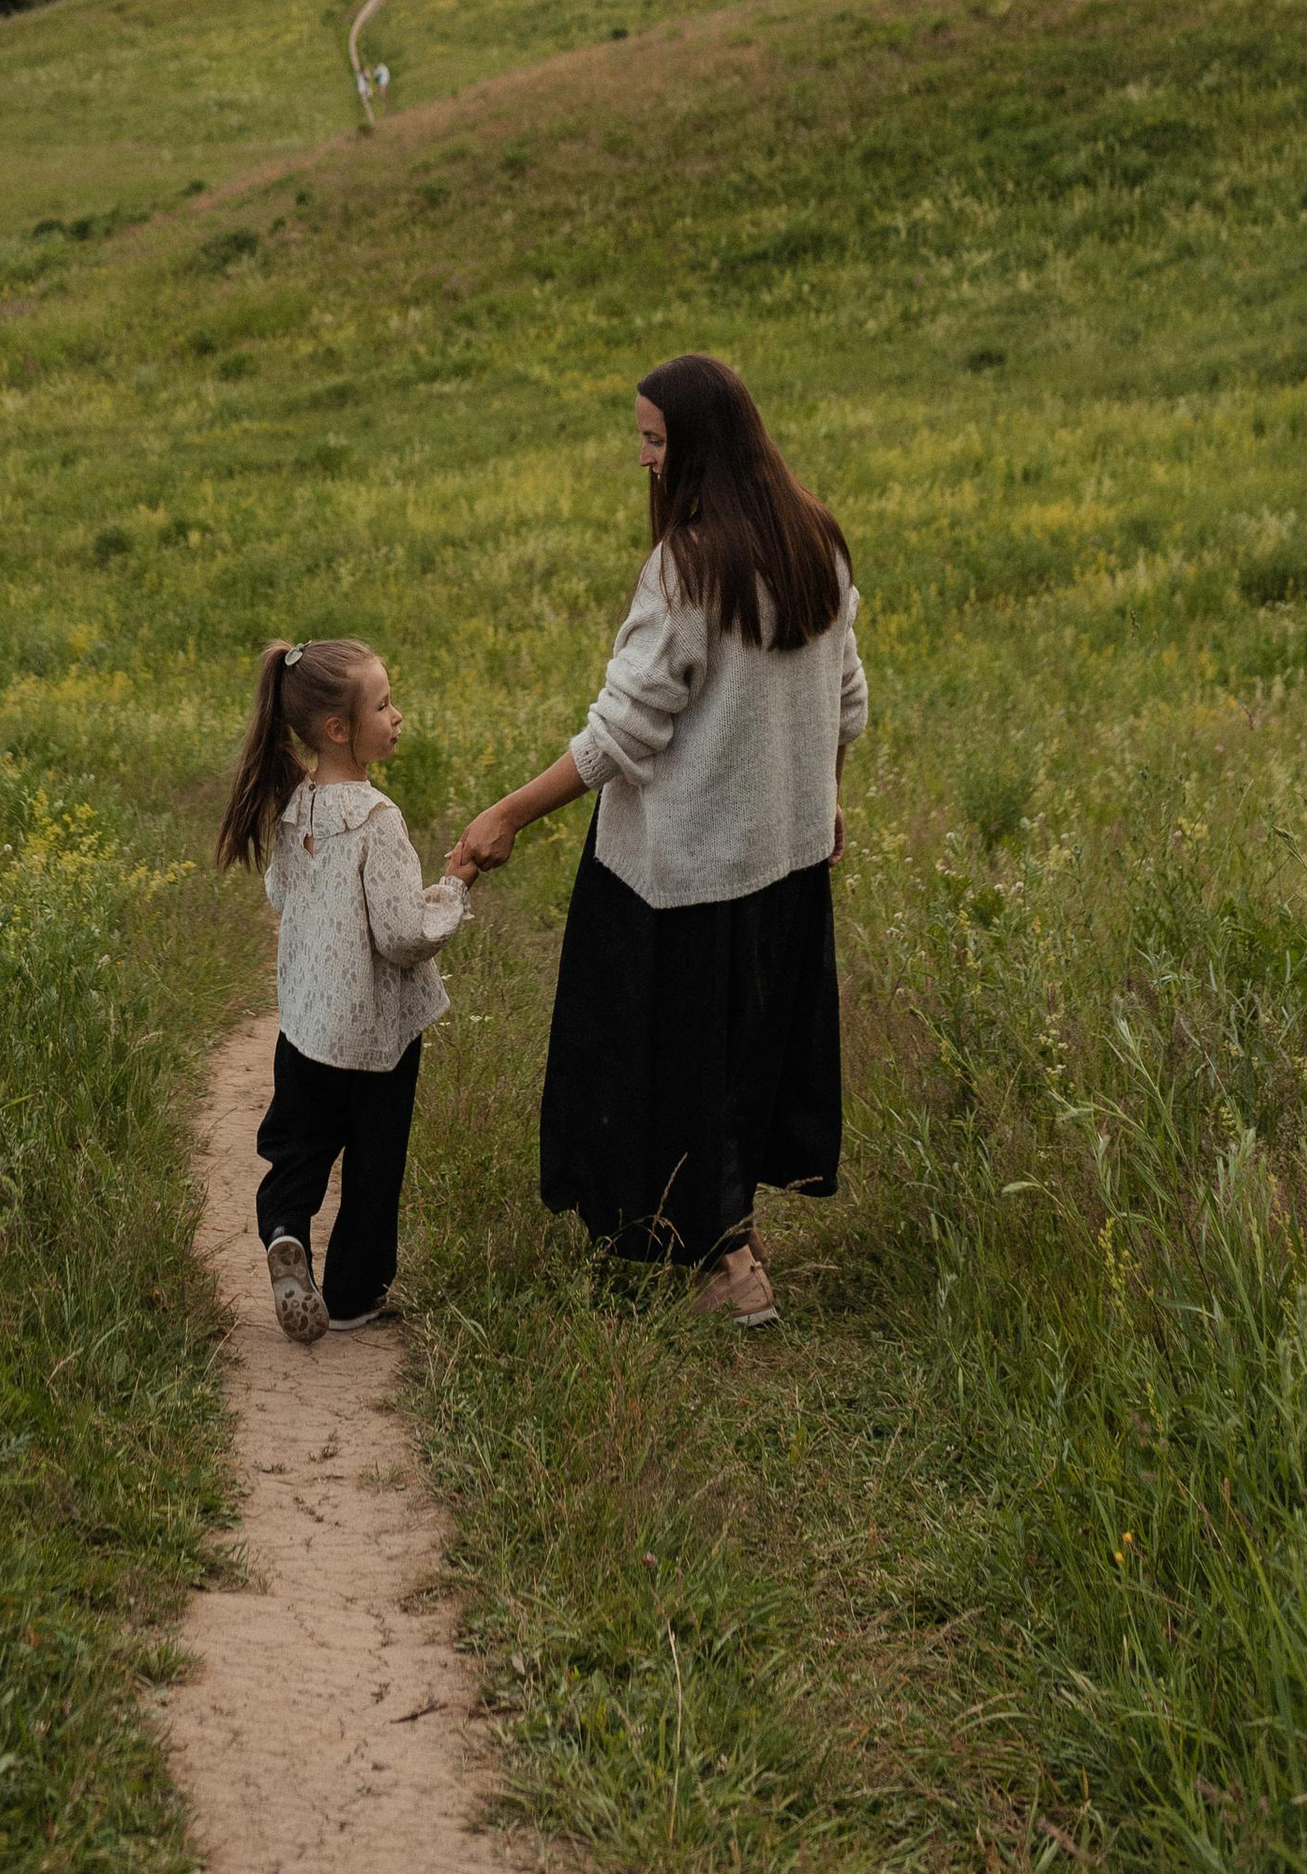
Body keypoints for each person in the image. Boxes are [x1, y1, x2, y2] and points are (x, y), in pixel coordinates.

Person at [448, 355, 864, 1328]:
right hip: (786, 861)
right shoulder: (817, 542)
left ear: (699, 446)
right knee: (748, 1055)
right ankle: (730, 1234)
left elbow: (621, 738)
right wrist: (822, 803)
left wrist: (505, 813)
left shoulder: (689, 566)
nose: (642, 459)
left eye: (653, 440)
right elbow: (846, 704)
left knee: (667, 1065)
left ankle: (722, 1264)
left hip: (681, 873)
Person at [217, 636, 471, 1344]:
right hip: (378, 1037)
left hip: (307, 1026)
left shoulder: (296, 807)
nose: (397, 716)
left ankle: (284, 1232)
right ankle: (356, 1295)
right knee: (373, 1163)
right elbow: (400, 936)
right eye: (384, 705)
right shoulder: (377, 821)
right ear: (338, 730)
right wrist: (451, 894)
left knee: (297, 1144)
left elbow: (279, 890)